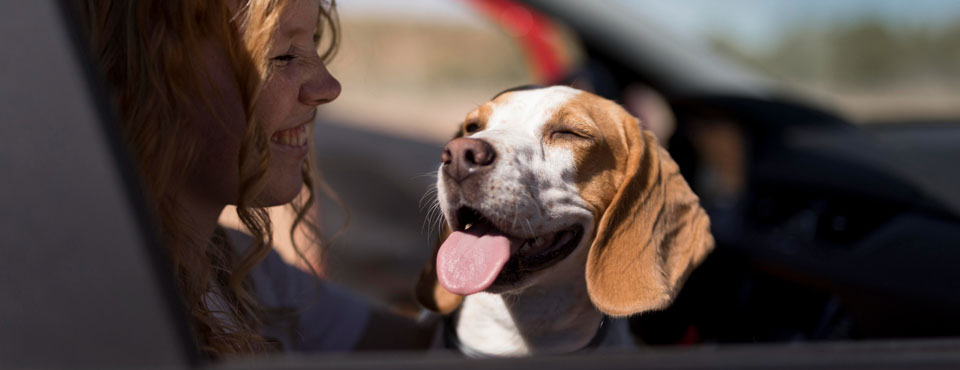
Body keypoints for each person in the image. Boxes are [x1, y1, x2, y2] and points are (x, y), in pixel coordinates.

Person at [76, 0, 434, 357]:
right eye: (282, 56)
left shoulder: (242, 271)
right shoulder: (103, 306)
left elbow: (427, 351)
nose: (328, 86)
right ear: (151, 76)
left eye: (314, 42)